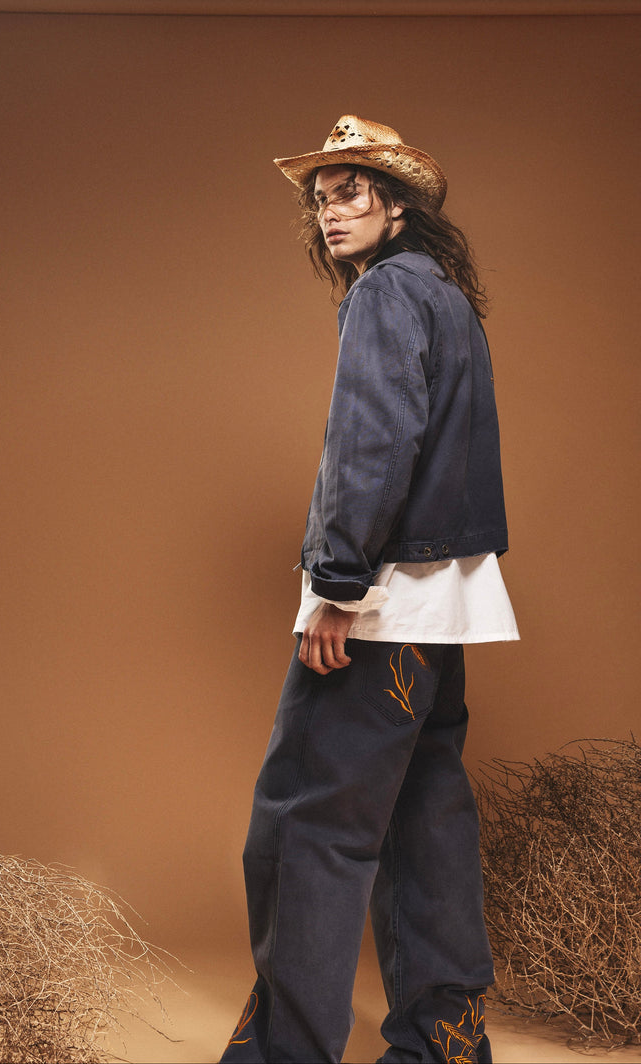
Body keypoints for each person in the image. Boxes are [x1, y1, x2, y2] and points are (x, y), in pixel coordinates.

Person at [219, 115, 519, 1064]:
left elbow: (375, 441)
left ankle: (287, 1053)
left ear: (397, 205)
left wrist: (338, 582)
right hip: (447, 604)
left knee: (306, 827)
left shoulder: (388, 293)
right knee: (425, 819)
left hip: (382, 601)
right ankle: (447, 1042)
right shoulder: (443, 295)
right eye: (321, 197)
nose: (331, 211)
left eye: (350, 192)